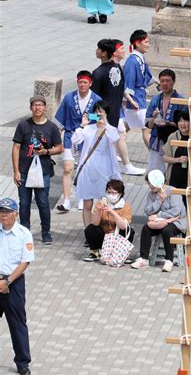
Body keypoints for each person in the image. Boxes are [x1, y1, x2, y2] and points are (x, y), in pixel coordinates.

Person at [12, 95, 64, 245]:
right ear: (30, 108)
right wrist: (16, 170)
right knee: (24, 203)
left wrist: (46, 152)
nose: (38, 108)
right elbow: (16, 147)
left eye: (40, 105)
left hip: (43, 171)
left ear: (45, 107)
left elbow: (59, 148)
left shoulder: (51, 127)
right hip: (24, 170)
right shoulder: (23, 125)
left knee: (43, 203)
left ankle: (46, 232)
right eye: (35, 105)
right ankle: (25, 232)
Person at [54, 70, 101, 213]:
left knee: (84, 169)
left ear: (90, 83)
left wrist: (88, 118)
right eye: (80, 82)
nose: (82, 85)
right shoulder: (69, 98)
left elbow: (101, 117)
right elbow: (59, 120)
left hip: (87, 137)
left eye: (85, 82)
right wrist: (56, 140)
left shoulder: (96, 99)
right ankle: (67, 200)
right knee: (68, 168)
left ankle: (82, 197)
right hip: (70, 136)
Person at [71, 101, 121, 230]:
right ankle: (89, 232)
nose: (99, 114)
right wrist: (82, 124)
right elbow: (75, 140)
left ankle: (102, 230)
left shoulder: (110, 129)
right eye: (97, 111)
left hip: (104, 171)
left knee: (103, 203)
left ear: (106, 114)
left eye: (102, 111)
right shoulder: (88, 129)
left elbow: (115, 139)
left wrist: (105, 124)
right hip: (87, 169)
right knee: (87, 204)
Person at [0, 197, 35, 375]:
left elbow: (25, 262)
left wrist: (7, 282)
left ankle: (22, 362)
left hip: (14, 283)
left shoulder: (23, 234)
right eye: (1, 212)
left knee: (17, 324)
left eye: (7, 212)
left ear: (16, 214)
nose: (3, 215)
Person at [130, 169, 186, 271]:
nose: (150, 187)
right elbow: (147, 210)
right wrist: (159, 201)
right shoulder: (152, 194)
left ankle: (169, 260)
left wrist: (159, 215)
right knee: (146, 229)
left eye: (151, 184)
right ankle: (144, 258)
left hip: (176, 221)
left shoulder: (173, 191)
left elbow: (175, 211)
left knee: (167, 231)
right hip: (159, 222)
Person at [162, 109, 191, 236]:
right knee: (175, 208)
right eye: (180, 121)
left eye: (186, 120)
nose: (183, 124)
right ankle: (175, 239)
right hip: (175, 179)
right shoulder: (173, 136)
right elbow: (164, 156)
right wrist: (177, 160)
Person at [109, 38, 145, 176]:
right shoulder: (112, 68)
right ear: (114, 52)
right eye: (121, 48)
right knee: (120, 134)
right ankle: (127, 165)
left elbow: (121, 88)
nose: (124, 51)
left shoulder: (118, 67)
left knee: (117, 134)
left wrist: (128, 99)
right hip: (111, 108)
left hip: (116, 107)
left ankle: (117, 159)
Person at [145, 69, 187, 173]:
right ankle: (156, 189)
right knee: (154, 173)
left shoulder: (181, 100)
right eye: (162, 81)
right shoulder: (155, 99)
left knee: (175, 172)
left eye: (168, 81)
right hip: (157, 139)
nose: (165, 84)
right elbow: (148, 125)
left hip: (176, 139)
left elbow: (186, 124)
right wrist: (154, 119)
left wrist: (168, 123)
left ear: (174, 81)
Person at [83, 178, 134, 262]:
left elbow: (124, 226)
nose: (110, 195)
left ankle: (123, 253)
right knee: (90, 229)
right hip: (104, 235)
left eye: (114, 193)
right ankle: (95, 252)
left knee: (129, 230)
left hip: (117, 236)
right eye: (109, 192)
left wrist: (112, 212)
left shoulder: (126, 206)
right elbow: (95, 223)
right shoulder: (101, 203)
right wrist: (99, 211)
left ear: (120, 194)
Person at [123, 29, 155, 146]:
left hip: (138, 98)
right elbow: (128, 83)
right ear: (137, 43)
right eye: (146, 42)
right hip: (136, 100)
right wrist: (129, 100)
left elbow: (148, 76)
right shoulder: (133, 61)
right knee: (147, 129)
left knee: (126, 127)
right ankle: (153, 156)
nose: (148, 45)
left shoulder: (139, 58)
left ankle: (114, 149)